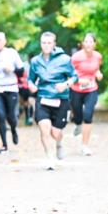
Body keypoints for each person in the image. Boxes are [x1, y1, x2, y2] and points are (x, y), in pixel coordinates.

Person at [27, 32, 77, 170]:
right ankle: (50, 158)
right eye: (44, 42)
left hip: (61, 99)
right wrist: (31, 85)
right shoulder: (36, 61)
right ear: (40, 43)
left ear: (54, 44)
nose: (46, 45)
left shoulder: (65, 59)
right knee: (44, 129)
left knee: (55, 133)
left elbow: (74, 77)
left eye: (49, 43)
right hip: (43, 99)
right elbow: (30, 78)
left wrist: (65, 85)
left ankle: (59, 143)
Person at [70, 32, 103, 155]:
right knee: (78, 115)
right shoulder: (76, 57)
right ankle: (78, 123)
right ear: (83, 44)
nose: (88, 44)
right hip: (76, 90)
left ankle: (85, 146)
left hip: (91, 89)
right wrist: (79, 79)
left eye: (91, 42)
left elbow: (96, 69)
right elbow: (69, 73)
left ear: (95, 44)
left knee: (88, 115)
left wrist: (98, 74)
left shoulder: (98, 56)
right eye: (86, 41)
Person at [16, 54, 34, 126]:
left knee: (30, 101)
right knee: (25, 103)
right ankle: (26, 116)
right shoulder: (17, 67)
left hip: (29, 87)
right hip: (22, 88)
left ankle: (30, 118)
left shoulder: (28, 66)